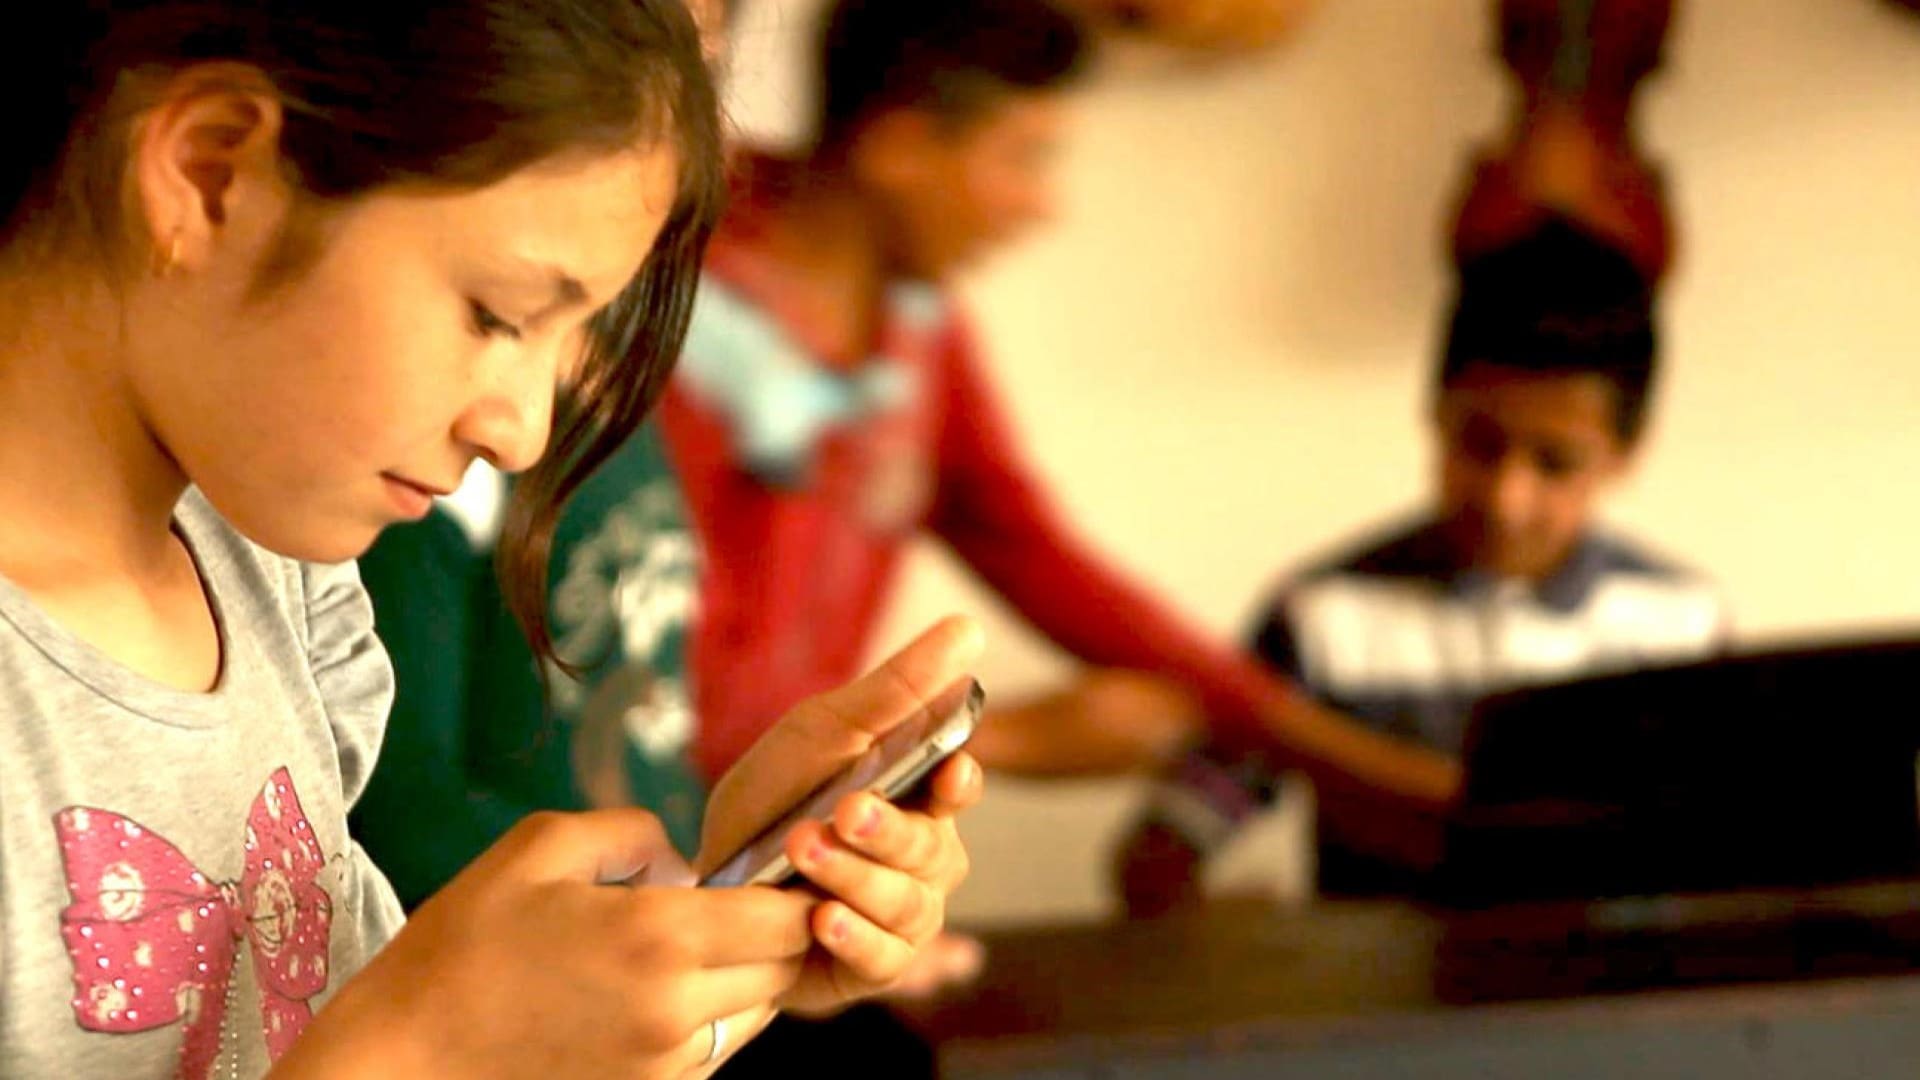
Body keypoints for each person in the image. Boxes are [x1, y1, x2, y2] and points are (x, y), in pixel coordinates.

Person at [0, 3, 980, 1076]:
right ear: (211, 173)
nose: (519, 434)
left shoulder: (277, 577)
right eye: (500, 315)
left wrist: (708, 931)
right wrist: (422, 1047)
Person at [657, 0, 1454, 828]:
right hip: (624, 842)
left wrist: (1348, 760)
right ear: (900, 150)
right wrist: (996, 741)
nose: (1043, 205)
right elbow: (637, 684)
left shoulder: (917, 328)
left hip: (760, 834)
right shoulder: (674, 291)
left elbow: (1044, 562)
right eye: (1025, 158)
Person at [1117, 216, 1729, 910]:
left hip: (1615, 1005)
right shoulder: (1323, 615)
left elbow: (1719, 853)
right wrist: (1213, 933)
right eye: (1478, 445)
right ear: (1434, 412)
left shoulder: (1682, 623)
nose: (1506, 498)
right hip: (1388, 1006)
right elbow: (1161, 849)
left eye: (1554, 463)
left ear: (1626, 455)